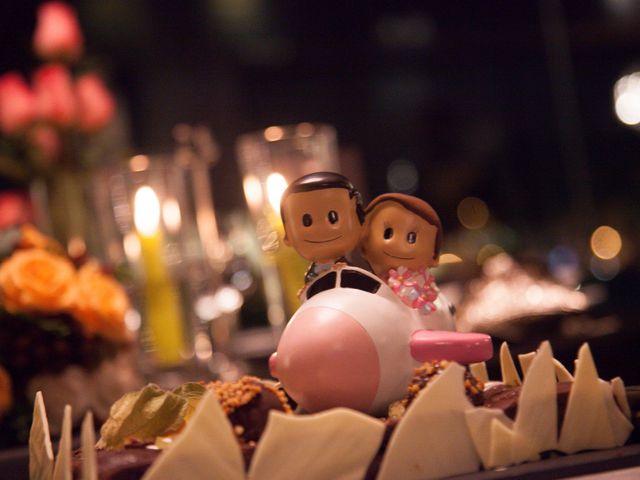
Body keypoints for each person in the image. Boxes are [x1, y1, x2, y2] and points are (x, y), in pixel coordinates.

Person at [360, 193, 446, 319]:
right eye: (387, 233)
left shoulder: (430, 293)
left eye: (411, 238)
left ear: (434, 257)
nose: (397, 243)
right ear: (364, 246)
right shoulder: (365, 287)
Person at [280, 172, 365, 284]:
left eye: (333, 218)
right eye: (306, 222)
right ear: (288, 234)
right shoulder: (311, 276)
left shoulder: (351, 274)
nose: (319, 229)